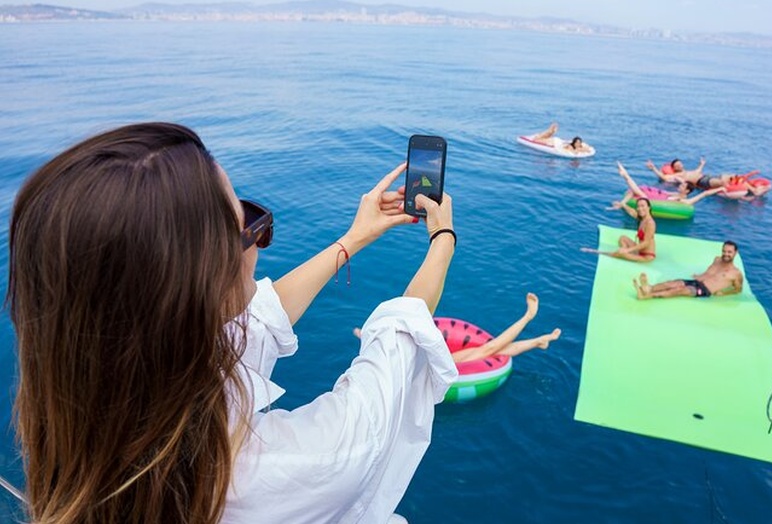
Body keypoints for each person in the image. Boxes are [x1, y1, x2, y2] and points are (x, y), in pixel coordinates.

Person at [7, 122, 459, 524]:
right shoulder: (290, 468)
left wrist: (353, 239)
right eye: (247, 223)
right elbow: (401, 340)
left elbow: (258, 318)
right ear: (199, 285)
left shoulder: (84, 425)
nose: (259, 238)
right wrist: (443, 238)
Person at [354, 292, 561, 363]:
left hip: (434, 361)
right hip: (435, 368)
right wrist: (365, 335)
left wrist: (365, 335)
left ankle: (538, 341)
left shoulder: (394, 353)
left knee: (493, 350)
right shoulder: (395, 359)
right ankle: (527, 318)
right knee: (489, 350)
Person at [634, 241, 744, 299]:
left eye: (729, 252)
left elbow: (738, 290)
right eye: (724, 251)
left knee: (679, 290)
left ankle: (647, 296)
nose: (726, 254)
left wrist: (724, 293)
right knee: (673, 283)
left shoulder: (736, 274)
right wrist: (700, 275)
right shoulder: (717, 259)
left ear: (735, 253)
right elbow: (711, 272)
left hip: (704, 290)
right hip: (697, 281)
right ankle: (649, 288)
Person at [609, 161, 725, 208]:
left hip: (655, 200)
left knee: (640, 193)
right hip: (657, 198)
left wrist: (721, 188)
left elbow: (705, 194)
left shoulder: (686, 201)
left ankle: (626, 176)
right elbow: (664, 192)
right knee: (637, 191)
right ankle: (621, 203)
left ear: (687, 191)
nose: (680, 186)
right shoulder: (676, 193)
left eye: (682, 186)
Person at [582, 197, 656, 262]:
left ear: (649, 207)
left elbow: (646, 243)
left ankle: (596, 252)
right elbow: (632, 212)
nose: (640, 208)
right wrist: (622, 205)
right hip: (639, 251)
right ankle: (623, 250)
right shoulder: (642, 219)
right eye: (638, 206)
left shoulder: (650, 223)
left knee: (620, 253)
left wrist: (627, 250)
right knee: (623, 238)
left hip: (646, 256)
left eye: (643, 206)